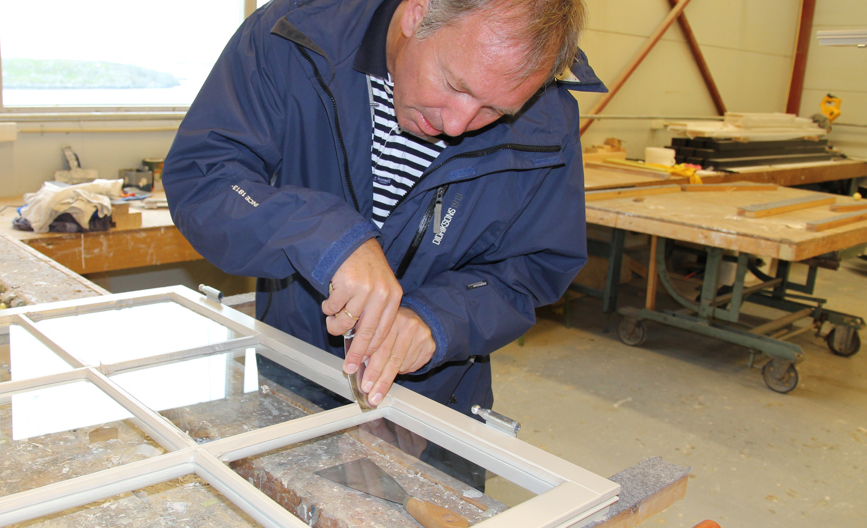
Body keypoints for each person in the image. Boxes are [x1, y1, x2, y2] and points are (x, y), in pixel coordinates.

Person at [164, 0, 605, 419]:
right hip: (293, 371)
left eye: (495, 110)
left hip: (435, 398)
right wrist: (324, 236)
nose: (456, 125)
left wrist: (437, 320)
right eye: (455, 85)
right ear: (417, 13)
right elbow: (205, 180)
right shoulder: (293, 36)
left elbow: (530, 270)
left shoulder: (548, 119)